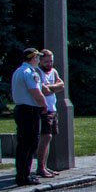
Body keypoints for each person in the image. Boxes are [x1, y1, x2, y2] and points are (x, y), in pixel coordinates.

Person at [10, 48, 47, 187]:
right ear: (33, 58)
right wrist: (44, 106)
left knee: (23, 144)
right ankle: (24, 176)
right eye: (37, 57)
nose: (38, 60)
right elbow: (35, 92)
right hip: (29, 110)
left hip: (20, 109)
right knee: (30, 143)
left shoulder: (18, 71)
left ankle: (22, 173)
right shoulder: (30, 73)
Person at [34, 49, 64, 178]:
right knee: (45, 138)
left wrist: (50, 87)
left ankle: (45, 166)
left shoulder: (53, 71)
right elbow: (43, 90)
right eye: (46, 61)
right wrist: (53, 88)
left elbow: (61, 85)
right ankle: (40, 167)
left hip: (53, 108)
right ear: (40, 61)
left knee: (49, 137)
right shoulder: (37, 72)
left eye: (51, 61)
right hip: (44, 109)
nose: (49, 63)